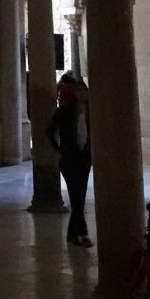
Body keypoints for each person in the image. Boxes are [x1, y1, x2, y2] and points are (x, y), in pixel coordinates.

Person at [46, 71, 92, 248]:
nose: (83, 95)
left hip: (84, 159)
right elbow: (49, 131)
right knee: (76, 198)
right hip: (69, 160)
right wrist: (59, 149)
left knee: (78, 198)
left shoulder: (87, 112)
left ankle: (74, 235)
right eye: (80, 92)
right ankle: (80, 235)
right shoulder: (64, 111)